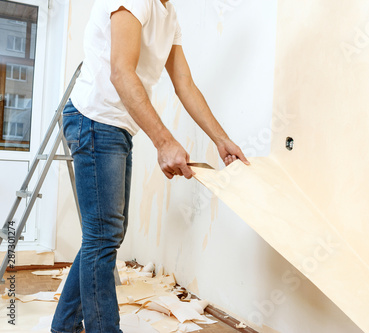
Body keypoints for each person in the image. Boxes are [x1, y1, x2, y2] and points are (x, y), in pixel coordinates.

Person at [51, 0, 249, 332]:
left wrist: (221, 139)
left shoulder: (168, 13)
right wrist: (163, 141)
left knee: (103, 236)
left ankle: (65, 326)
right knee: (103, 237)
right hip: (94, 120)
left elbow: (184, 84)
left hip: (115, 127)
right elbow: (120, 71)